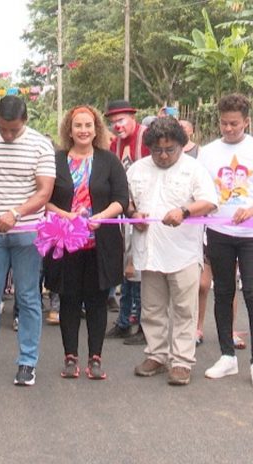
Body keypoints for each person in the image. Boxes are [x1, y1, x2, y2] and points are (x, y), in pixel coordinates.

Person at [0, 96, 56, 386]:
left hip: (27, 231)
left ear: (25, 121)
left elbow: (44, 192)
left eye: (13, 130)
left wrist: (15, 213)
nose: (7, 135)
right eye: (3, 128)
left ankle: (27, 362)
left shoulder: (41, 145)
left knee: (29, 297)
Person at [129, 116, 218, 386]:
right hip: (150, 251)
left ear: (181, 145)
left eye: (170, 150)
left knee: (183, 309)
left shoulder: (193, 169)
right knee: (152, 308)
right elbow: (128, 203)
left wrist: (185, 211)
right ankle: (156, 355)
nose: (164, 155)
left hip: (183, 253)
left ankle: (181, 361)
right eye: (157, 150)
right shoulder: (137, 169)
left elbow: (211, 202)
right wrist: (135, 215)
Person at [199, 94, 253, 389]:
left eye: (234, 123)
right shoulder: (207, 152)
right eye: (223, 123)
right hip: (218, 233)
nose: (228, 129)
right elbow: (203, 193)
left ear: (246, 121)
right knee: (223, 292)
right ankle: (226, 356)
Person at [44, 105, 129, 379]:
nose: (83, 130)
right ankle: (70, 358)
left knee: (96, 300)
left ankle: (95, 358)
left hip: (100, 244)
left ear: (96, 129)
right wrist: (66, 216)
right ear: (69, 130)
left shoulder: (109, 161)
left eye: (88, 125)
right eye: (77, 125)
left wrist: (101, 217)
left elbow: (121, 200)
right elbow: (43, 199)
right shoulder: (55, 161)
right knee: (68, 300)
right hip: (64, 244)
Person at [105, 100, 151, 342]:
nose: (117, 126)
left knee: (142, 269)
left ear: (133, 116)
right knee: (127, 268)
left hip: (146, 211)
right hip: (124, 211)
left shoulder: (148, 139)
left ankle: (146, 325)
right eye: (112, 123)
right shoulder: (115, 144)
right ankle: (125, 320)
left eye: (121, 120)